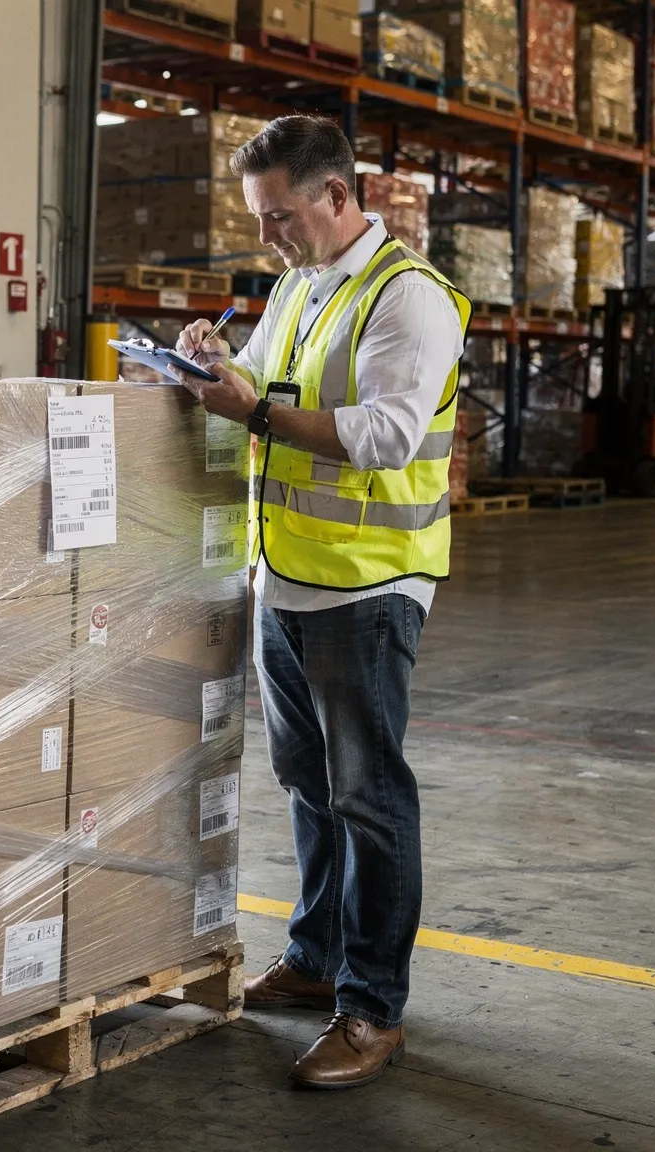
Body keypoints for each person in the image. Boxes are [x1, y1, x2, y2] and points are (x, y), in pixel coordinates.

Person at [172, 114, 468, 1090]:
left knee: (368, 797)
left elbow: (382, 436)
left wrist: (249, 410)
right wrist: (216, 363)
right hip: (284, 578)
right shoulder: (300, 287)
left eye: (278, 216)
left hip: (367, 587)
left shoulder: (407, 299)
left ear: (337, 197)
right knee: (307, 781)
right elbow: (262, 379)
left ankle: (371, 1008)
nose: (268, 237)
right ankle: (314, 956)